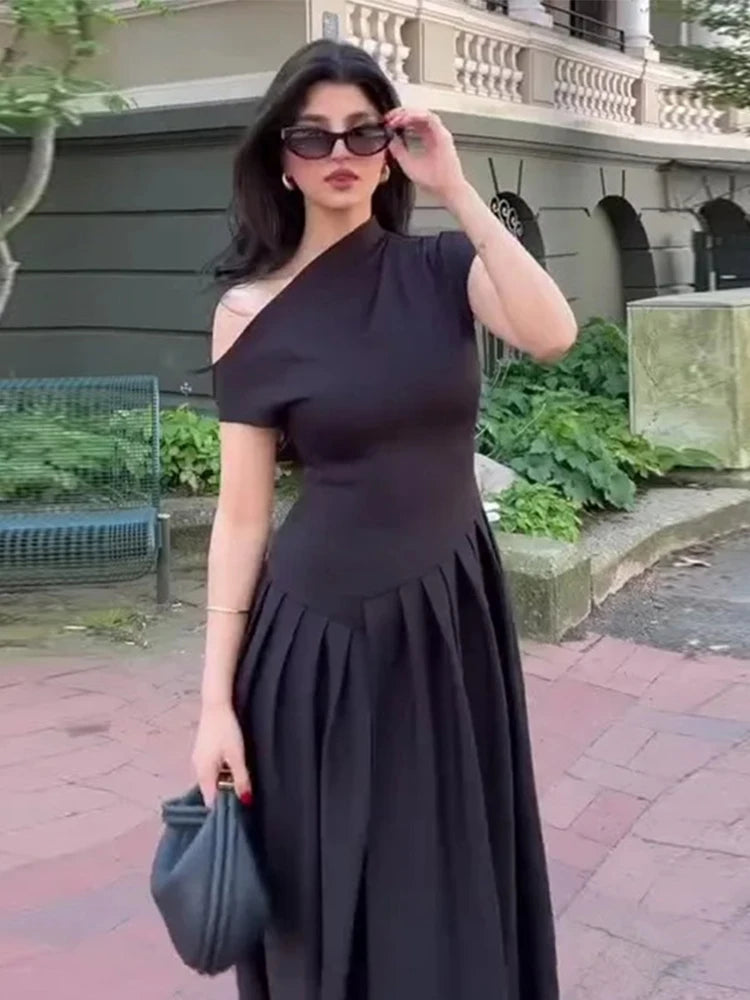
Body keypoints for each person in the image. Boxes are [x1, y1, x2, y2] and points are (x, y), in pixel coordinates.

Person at [192, 37, 576, 1000]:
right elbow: (241, 519)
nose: (340, 154)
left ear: (390, 150)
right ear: (281, 158)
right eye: (313, 136)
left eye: (363, 134)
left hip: (451, 619)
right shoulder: (248, 312)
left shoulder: (445, 267)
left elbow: (552, 333)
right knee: (331, 886)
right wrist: (212, 705)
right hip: (316, 639)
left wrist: (456, 188)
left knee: (448, 868)